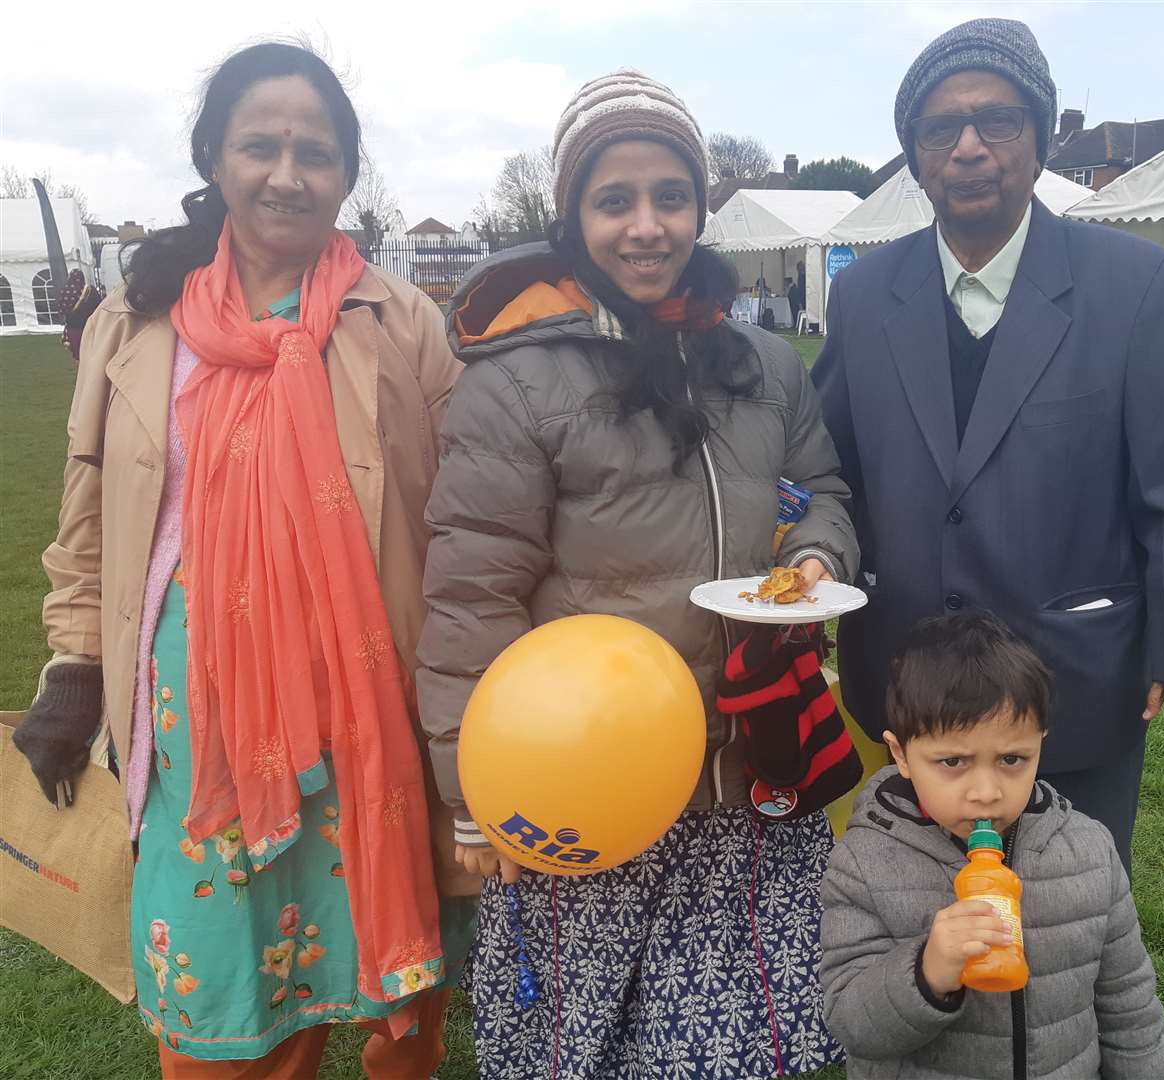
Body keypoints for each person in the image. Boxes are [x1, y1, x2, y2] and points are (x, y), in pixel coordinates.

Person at [11, 42, 474, 1077]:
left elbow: (461, 524)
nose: (287, 172)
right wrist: (75, 665)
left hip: (370, 707)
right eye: (260, 144)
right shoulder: (135, 325)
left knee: (386, 977)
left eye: (315, 151)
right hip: (198, 727)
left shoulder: (404, 324)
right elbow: (86, 520)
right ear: (214, 155)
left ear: (346, 175)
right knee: (226, 992)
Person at [417, 69, 857, 1077]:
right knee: (582, 1050)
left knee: (735, 1050)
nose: (647, 227)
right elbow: (471, 596)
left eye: (672, 196)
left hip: (748, 773)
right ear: (573, 214)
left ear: (702, 207)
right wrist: (470, 797)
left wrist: (818, 555)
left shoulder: (763, 361)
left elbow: (820, 489)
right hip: (586, 783)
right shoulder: (515, 382)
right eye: (614, 200)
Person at [811, 17, 1164, 875]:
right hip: (907, 688)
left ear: (1039, 142)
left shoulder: (1137, 286)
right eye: (941, 129)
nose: (969, 147)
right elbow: (832, 472)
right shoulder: (863, 302)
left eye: (996, 121)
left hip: (1073, 683)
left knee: (1067, 921)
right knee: (910, 923)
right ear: (917, 156)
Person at [819, 613, 1164, 1079]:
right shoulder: (865, 863)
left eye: (1012, 759)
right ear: (901, 754)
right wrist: (926, 975)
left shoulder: (1088, 851)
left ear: (1040, 744)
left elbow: (1129, 1003)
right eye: (953, 761)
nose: (986, 791)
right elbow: (851, 1023)